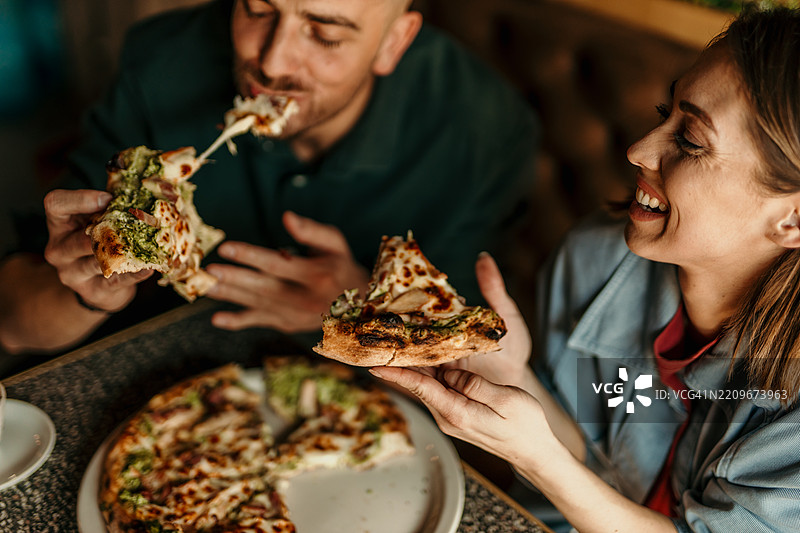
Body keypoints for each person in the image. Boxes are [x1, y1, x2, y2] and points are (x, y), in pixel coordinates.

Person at [372, 7, 800, 533]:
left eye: (689, 141)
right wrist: (516, 377)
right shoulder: (596, 259)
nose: (638, 149)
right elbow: (594, 464)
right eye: (664, 112)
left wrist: (538, 460)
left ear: (792, 217)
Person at [0, 0, 537, 356]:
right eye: (257, 8)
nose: (271, 60)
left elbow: (470, 363)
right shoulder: (162, 59)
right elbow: (13, 323)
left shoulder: (483, 128)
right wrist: (87, 292)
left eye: (325, 34)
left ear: (394, 41)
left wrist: (361, 310)